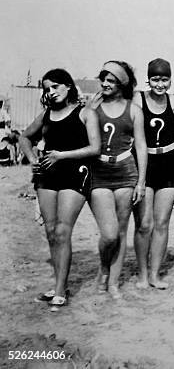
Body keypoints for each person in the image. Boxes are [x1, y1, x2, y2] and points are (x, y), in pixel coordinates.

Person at [19, 68, 101, 311]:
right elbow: (24, 137)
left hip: (75, 174)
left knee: (63, 231)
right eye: (47, 88)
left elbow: (95, 148)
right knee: (51, 232)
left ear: (68, 86)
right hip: (47, 175)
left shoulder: (85, 113)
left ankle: (59, 289)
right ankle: (58, 285)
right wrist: (32, 158)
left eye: (55, 86)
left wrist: (61, 155)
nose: (51, 92)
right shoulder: (46, 115)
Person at [89, 61, 147, 299]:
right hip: (99, 173)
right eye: (104, 79)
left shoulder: (133, 110)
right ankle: (104, 268)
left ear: (122, 84)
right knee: (109, 234)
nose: (105, 84)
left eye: (111, 80)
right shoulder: (93, 106)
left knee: (122, 231)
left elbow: (141, 146)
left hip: (126, 172)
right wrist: (89, 112)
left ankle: (113, 282)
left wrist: (141, 182)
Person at [132, 58, 174, 289]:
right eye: (155, 79)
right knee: (144, 224)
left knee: (162, 222)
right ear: (148, 79)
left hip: (169, 163)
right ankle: (142, 273)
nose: (160, 84)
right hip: (144, 163)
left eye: (164, 79)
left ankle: (155, 274)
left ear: (170, 80)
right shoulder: (138, 99)